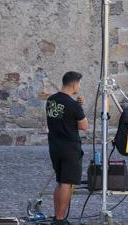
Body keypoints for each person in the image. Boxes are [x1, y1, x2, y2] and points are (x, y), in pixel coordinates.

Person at [46, 71, 88, 225]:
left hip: (55, 146)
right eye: (79, 83)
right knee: (67, 183)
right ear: (75, 84)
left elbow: (63, 117)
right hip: (70, 147)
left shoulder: (51, 100)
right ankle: (60, 218)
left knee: (60, 181)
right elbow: (84, 126)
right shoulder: (72, 105)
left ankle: (57, 215)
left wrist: (78, 106)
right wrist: (79, 108)